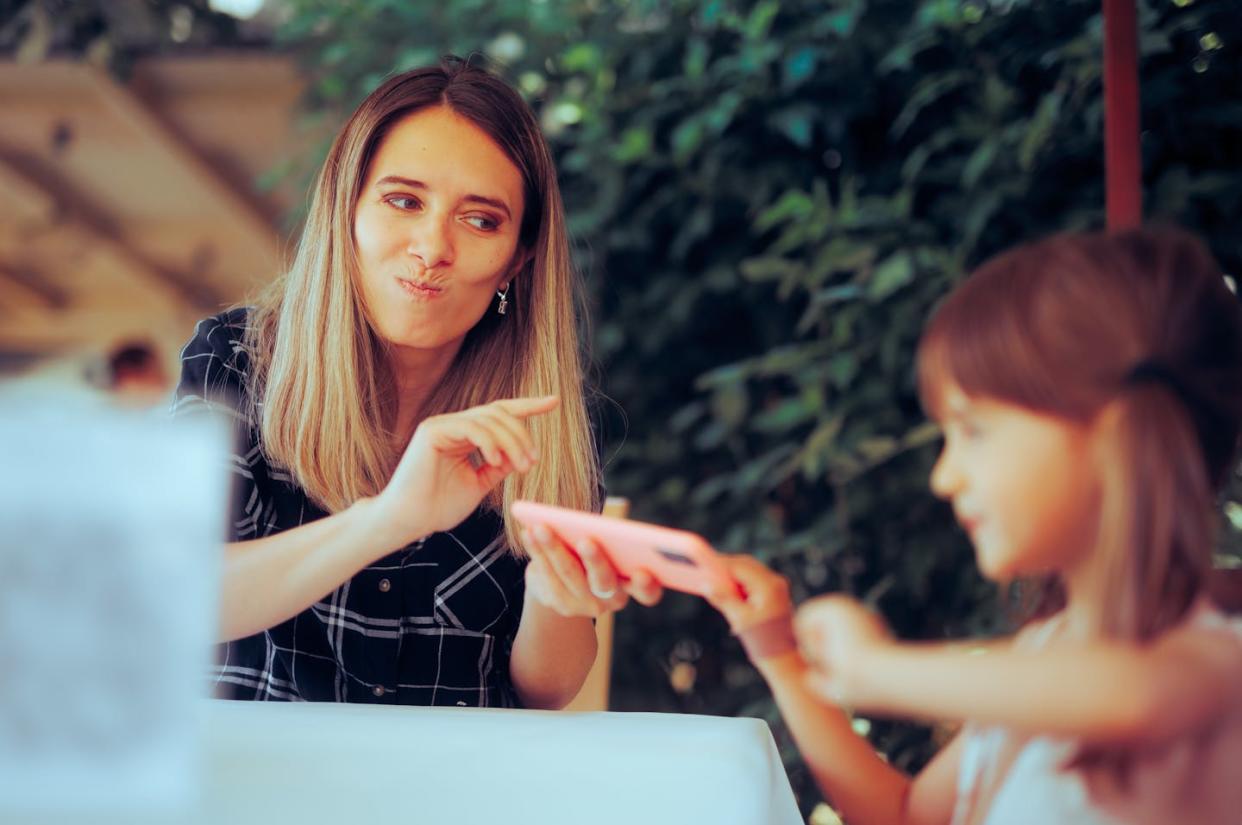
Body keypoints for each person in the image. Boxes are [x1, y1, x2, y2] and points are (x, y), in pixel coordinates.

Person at [704, 228, 1242, 824]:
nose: (945, 477)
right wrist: (779, 651)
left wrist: (874, 668)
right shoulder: (1048, 653)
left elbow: (1139, 696)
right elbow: (906, 816)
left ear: (1113, 442)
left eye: (975, 432)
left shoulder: (1215, 663)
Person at [171, 57, 657, 708]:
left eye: (480, 219)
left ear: (517, 259)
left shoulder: (547, 419)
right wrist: (389, 520)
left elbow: (546, 692)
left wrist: (553, 596)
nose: (432, 247)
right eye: (404, 201)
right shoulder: (238, 359)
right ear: (348, 210)